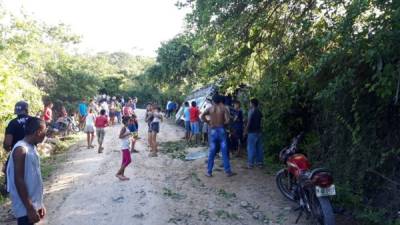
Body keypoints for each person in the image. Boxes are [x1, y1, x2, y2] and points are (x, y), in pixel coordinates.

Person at [6, 117, 47, 225]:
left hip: (33, 205)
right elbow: (19, 180)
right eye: (44, 131)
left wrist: (39, 204)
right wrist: (29, 208)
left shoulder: (31, 147)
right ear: (38, 132)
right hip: (25, 209)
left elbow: (34, 178)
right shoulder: (21, 150)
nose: (45, 134)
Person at [201, 95, 236, 177]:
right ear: (220, 101)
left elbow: (202, 116)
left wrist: (208, 122)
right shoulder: (224, 108)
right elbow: (227, 120)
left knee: (212, 151)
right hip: (221, 130)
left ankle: (209, 172)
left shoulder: (210, 108)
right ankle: (228, 171)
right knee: (224, 151)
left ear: (213, 101)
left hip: (213, 131)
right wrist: (223, 123)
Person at [2, 101, 31, 192]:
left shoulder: (12, 123)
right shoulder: (34, 121)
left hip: (17, 152)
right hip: (32, 152)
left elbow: (7, 143)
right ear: (26, 110)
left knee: (7, 169)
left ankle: (8, 188)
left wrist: (7, 148)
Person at [245, 98, 264, 169]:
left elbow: (249, 122)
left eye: (250, 103)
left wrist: (245, 131)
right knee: (259, 148)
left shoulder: (251, 111)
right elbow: (262, 122)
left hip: (252, 132)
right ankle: (260, 163)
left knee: (251, 148)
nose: (249, 104)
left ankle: (250, 163)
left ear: (252, 104)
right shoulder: (259, 112)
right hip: (259, 132)